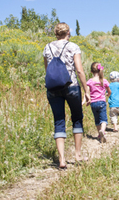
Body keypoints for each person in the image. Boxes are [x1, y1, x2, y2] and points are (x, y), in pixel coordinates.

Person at [43, 22, 90, 170]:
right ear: (68, 32)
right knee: (77, 118)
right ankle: (77, 155)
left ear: (56, 33)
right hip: (71, 86)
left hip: (53, 88)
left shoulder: (47, 47)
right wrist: (87, 90)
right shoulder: (73, 46)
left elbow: (47, 69)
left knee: (58, 120)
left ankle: (62, 159)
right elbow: (79, 70)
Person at [84, 62, 111, 143]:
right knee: (103, 119)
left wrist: (85, 100)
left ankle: (99, 135)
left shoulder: (89, 81)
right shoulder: (104, 81)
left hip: (93, 103)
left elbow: (87, 92)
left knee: (97, 119)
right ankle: (102, 131)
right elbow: (109, 92)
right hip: (102, 102)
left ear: (91, 71)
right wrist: (107, 94)